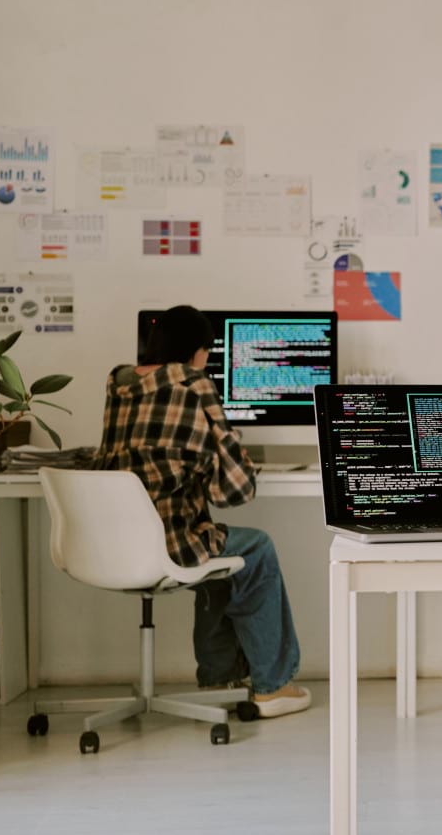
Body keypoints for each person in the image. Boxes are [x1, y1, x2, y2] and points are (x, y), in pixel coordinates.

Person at [93, 304, 311, 718]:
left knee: (215, 546)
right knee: (254, 549)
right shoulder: (193, 384)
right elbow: (235, 490)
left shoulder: (117, 385)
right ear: (198, 353)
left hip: (111, 543)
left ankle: (219, 676)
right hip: (168, 542)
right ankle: (272, 687)